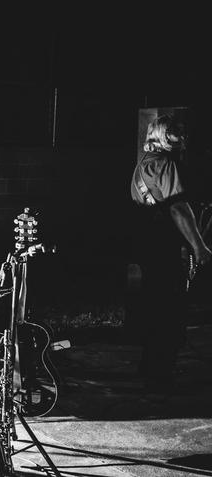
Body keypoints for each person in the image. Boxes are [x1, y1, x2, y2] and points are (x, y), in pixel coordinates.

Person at [130, 114, 211, 392]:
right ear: (163, 136)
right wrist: (199, 247)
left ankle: (149, 366)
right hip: (164, 247)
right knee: (170, 311)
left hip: (147, 246)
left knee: (154, 306)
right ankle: (160, 375)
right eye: (176, 133)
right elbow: (178, 208)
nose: (183, 137)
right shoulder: (167, 164)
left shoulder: (144, 163)